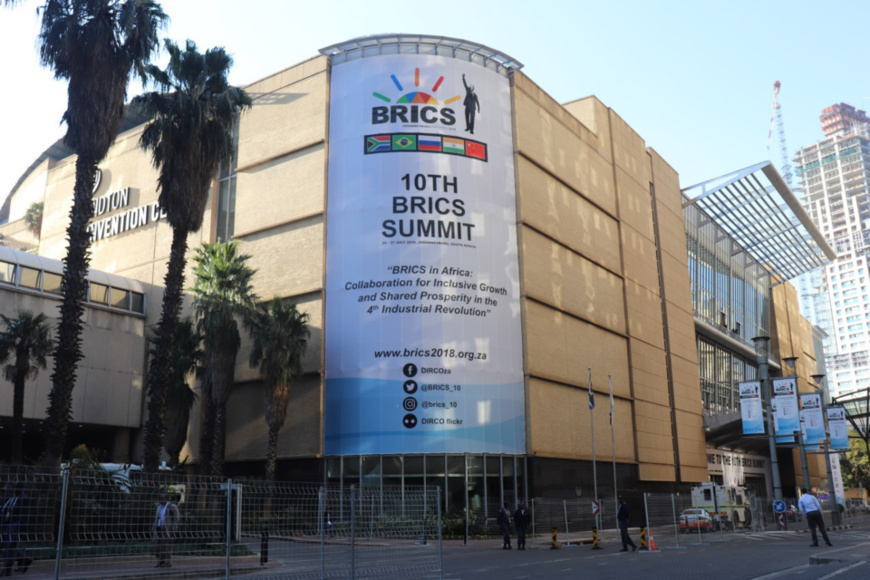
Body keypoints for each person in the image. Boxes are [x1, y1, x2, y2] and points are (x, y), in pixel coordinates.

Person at [1, 482, 31, 576]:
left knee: (10, 545)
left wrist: (22, 528)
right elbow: (5, 509)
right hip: (8, 523)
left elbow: (24, 513)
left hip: (15, 523)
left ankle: (8, 568)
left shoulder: (23, 498)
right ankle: (22, 560)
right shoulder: (12, 498)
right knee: (7, 545)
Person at [153, 493, 181, 567]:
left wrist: (174, 529)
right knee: (157, 546)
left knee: (167, 546)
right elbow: (156, 518)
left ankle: (167, 562)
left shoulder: (172, 507)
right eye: (161, 498)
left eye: (163, 498)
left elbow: (176, 518)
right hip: (158, 528)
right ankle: (160, 561)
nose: (162, 500)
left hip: (167, 529)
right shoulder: (159, 507)